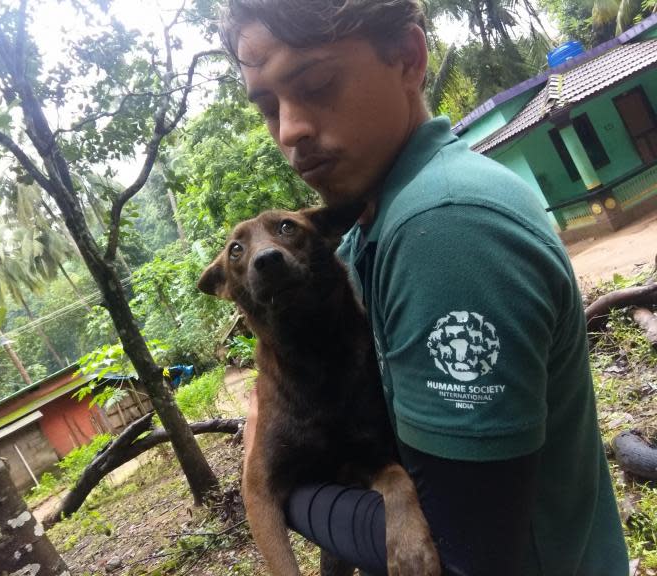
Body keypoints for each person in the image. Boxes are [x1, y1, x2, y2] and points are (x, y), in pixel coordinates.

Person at [219, 1, 629, 575]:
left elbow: (466, 557)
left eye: (316, 84)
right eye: (268, 106)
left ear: (409, 59)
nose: (290, 130)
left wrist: (275, 486)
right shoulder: (373, 223)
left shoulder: (442, 228)